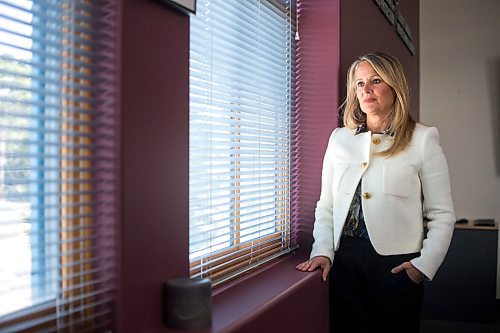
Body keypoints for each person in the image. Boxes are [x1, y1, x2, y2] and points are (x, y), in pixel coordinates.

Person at [296, 52, 455, 333]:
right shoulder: (339, 139)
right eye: (359, 83)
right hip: (343, 264)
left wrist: (424, 265)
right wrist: (321, 250)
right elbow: (327, 206)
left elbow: (442, 214)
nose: (365, 90)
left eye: (375, 80)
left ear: (394, 86)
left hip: (397, 267)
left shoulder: (423, 138)